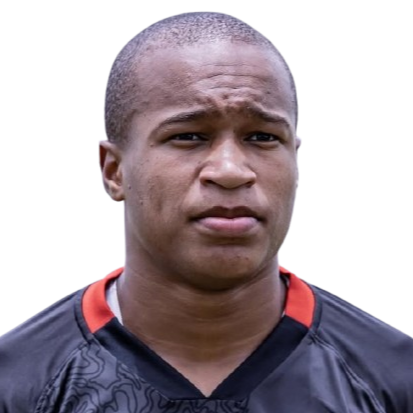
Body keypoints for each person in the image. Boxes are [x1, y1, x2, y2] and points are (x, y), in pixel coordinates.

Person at [0, 11, 412, 412]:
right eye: (189, 136)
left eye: (262, 137)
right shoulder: (18, 385)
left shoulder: (394, 381)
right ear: (114, 171)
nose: (230, 171)